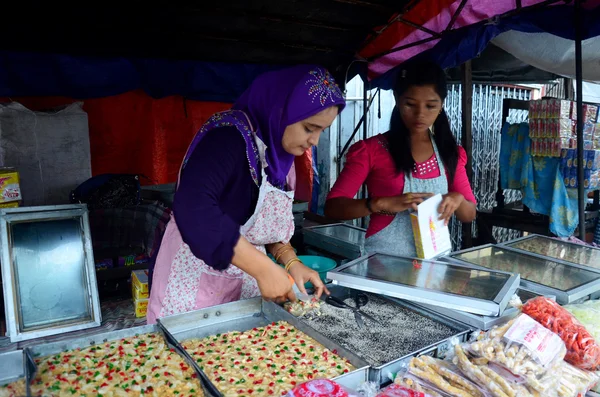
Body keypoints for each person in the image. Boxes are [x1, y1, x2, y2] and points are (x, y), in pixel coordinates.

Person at [147, 65, 345, 323]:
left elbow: (262, 227)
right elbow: (194, 207)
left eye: (322, 130)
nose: (315, 141)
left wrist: (290, 262)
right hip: (193, 285)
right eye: (309, 128)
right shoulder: (227, 138)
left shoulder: (281, 159)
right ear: (280, 111)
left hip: (244, 288)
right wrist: (262, 268)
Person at [325, 61, 476, 257]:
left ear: (441, 106)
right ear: (397, 99)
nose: (420, 114)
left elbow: (469, 214)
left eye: (431, 106)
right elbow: (333, 208)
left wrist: (458, 199)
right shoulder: (371, 150)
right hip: (381, 264)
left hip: (434, 265)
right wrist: (378, 204)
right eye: (410, 104)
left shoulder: (450, 153)